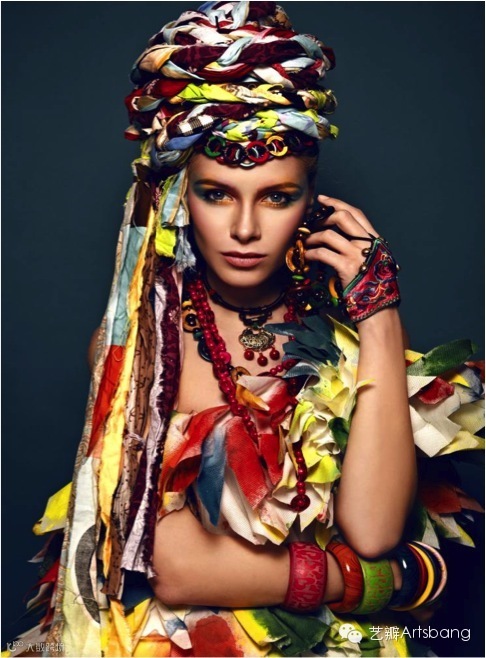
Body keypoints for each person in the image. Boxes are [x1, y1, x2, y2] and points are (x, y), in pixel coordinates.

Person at [5, 2, 484, 657]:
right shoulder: (143, 350)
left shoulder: (349, 349)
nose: (245, 229)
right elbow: (175, 564)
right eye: (218, 193)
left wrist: (379, 315)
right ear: (178, 199)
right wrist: (385, 582)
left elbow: (373, 531)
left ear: (311, 201)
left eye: (276, 196)